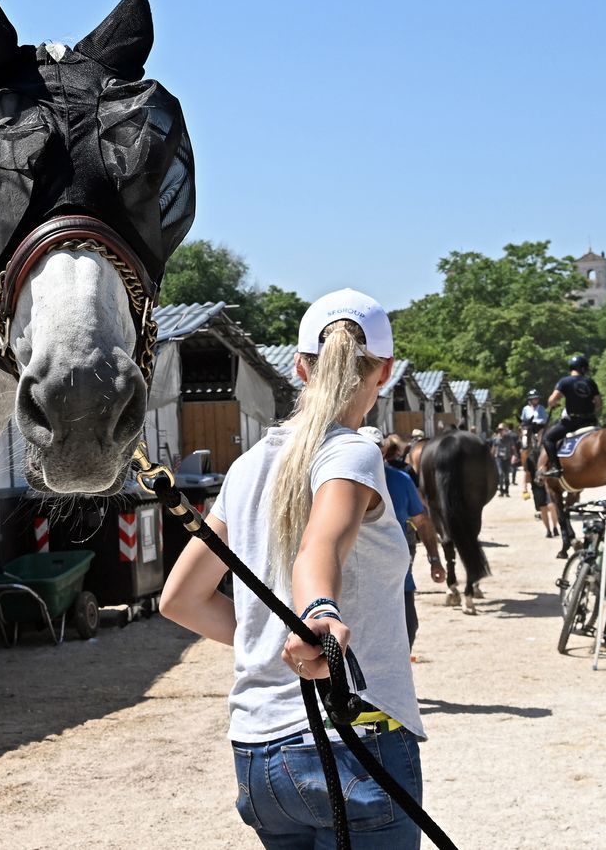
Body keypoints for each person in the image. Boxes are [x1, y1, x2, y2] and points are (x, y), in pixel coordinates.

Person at [160, 289, 425, 847]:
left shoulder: (247, 466)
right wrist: (318, 617)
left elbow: (180, 599)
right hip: (351, 740)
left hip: (258, 754)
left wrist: (265, 637)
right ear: (385, 371)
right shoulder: (352, 452)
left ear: (301, 367)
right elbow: (319, 548)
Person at [360, 426, 446, 650]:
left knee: (408, 628)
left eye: (375, 449)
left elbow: (422, 521)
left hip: (399, 580)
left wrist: (435, 560)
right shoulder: (340, 483)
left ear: (383, 451)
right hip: (359, 581)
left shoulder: (401, 480)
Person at [541, 355, 602, 480]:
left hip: (573, 422)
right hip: (590, 421)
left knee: (548, 438)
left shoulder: (565, 381)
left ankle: (556, 468)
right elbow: (599, 404)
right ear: (583, 369)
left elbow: (551, 400)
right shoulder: (590, 382)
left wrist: (555, 404)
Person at [492, 423, 518, 497]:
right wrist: (491, 458)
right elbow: (493, 449)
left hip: (507, 458)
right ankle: (501, 491)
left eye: (501, 430)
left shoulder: (509, 438)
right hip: (499, 458)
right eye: (499, 430)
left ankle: (506, 491)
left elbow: (513, 448)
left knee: (506, 475)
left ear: (505, 430)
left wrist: (515, 456)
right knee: (500, 474)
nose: (500, 431)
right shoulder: (495, 438)